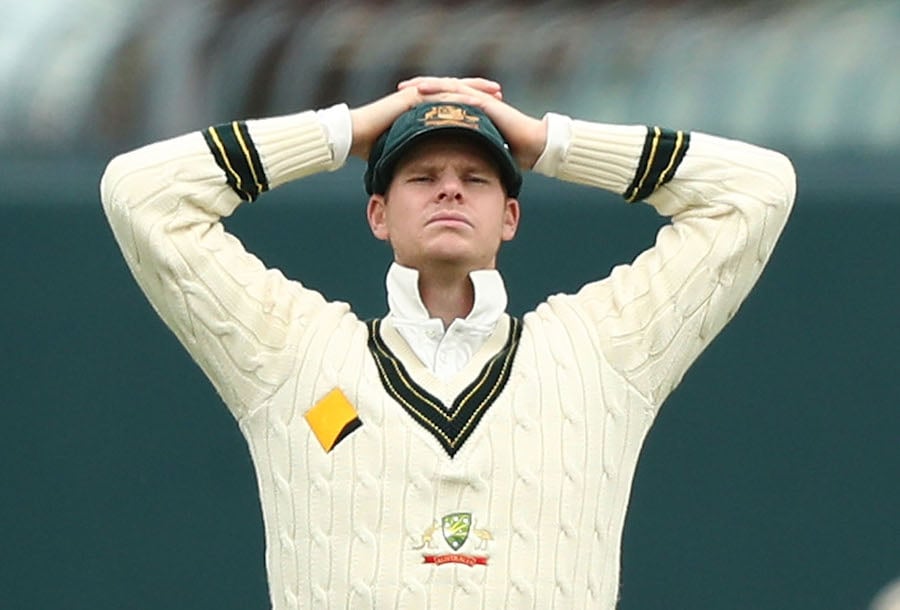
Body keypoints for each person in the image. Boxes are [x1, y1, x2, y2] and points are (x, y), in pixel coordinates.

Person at [100, 76, 796, 609]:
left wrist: (550, 143)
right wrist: (346, 131)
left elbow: (759, 191)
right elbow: (140, 194)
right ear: (377, 213)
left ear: (511, 215)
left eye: (476, 178)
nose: (450, 193)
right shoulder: (294, 355)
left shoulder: (596, 354)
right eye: (421, 176)